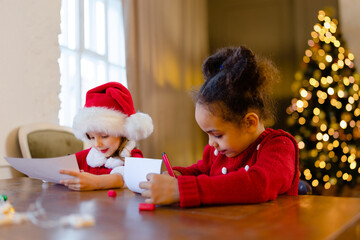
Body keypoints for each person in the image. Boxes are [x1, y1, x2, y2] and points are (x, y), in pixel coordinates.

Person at [139, 46, 299, 207]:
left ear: (249, 122)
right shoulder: (218, 151)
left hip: (269, 230)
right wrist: (178, 175)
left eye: (217, 135)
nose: (211, 144)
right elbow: (201, 170)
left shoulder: (279, 146)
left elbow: (259, 184)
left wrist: (181, 190)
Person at [60, 82, 153, 191]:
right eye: (91, 137)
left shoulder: (133, 156)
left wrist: (96, 182)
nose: (97, 144)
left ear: (122, 133)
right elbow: (61, 166)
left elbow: (126, 177)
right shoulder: (89, 155)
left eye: (104, 136)